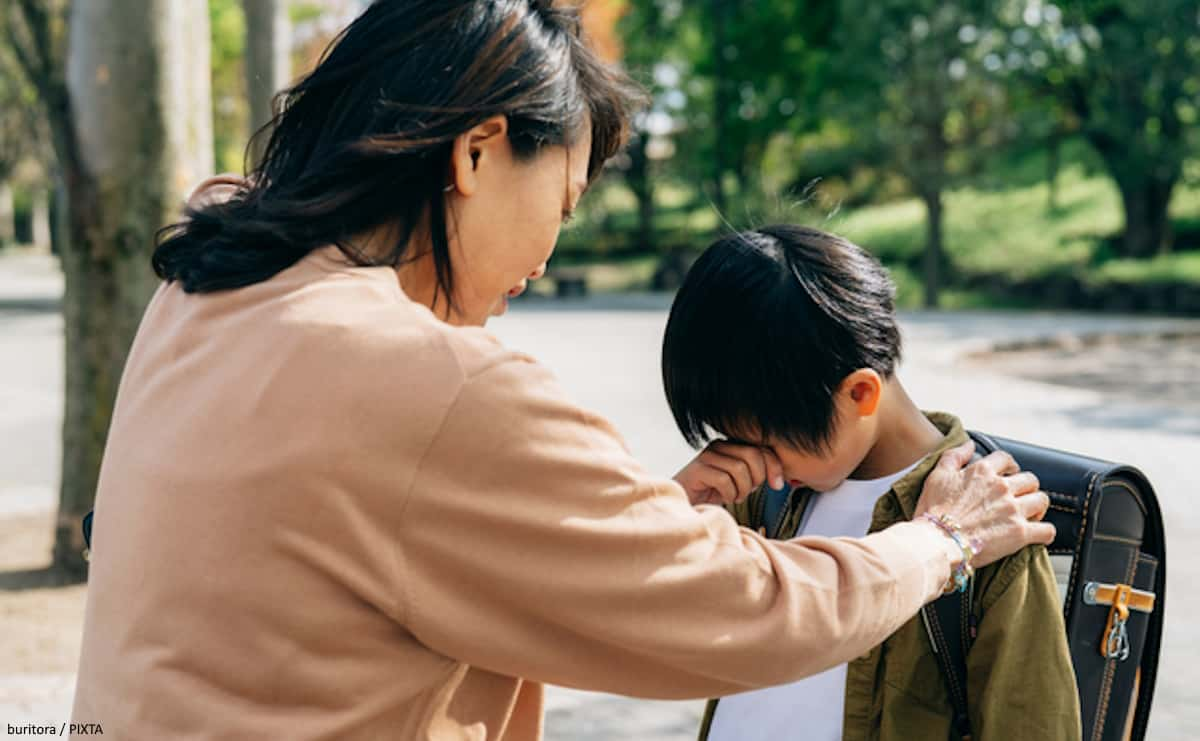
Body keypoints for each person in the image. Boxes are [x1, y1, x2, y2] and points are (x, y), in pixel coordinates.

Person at [69, 2, 1054, 739]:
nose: (544, 260)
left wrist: (619, 534)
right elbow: (745, 614)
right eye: (566, 197)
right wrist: (941, 545)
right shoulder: (433, 383)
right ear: (481, 152)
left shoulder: (209, 287)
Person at [660, 224, 1080, 741]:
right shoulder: (757, 497)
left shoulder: (990, 526)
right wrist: (674, 511)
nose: (752, 461)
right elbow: (641, 631)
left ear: (860, 394)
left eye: (767, 441)